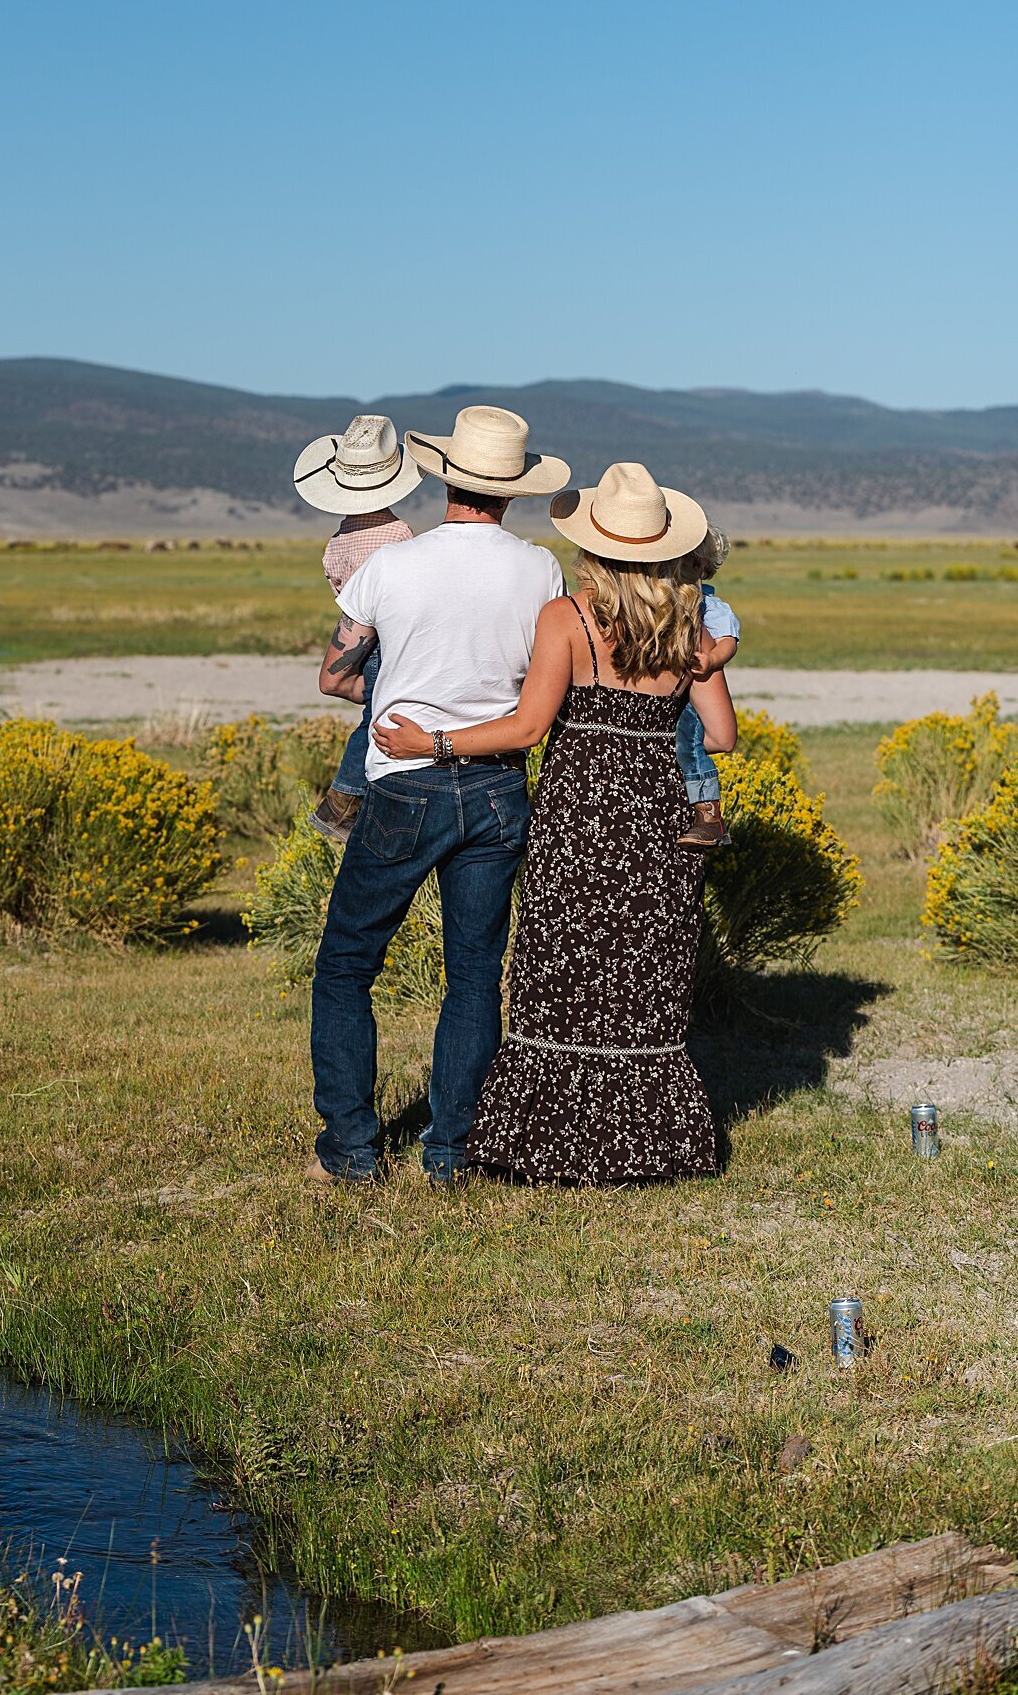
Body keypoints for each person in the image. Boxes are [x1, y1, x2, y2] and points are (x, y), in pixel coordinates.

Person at [374, 461, 735, 1187]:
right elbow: (721, 733)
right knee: (643, 981)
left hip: (578, 825)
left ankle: (554, 1143)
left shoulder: (566, 618)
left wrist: (432, 743)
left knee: (560, 974)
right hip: (655, 827)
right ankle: (648, 1146)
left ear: (593, 546)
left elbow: (529, 727)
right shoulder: (688, 631)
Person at [308, 404, 569, 1187]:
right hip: (496, 789)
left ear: (445, 477)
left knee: (348, 965)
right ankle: (450, 1152)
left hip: (402, 785)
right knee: (474, 977)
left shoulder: (391, 567)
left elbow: (334, 676)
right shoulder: (541, 570)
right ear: (514, 491)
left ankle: (352, 1150)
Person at [291, 415, 424, 843]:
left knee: (373, 716)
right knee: (383, 721)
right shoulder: (400, 533)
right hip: (391, 641)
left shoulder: (336, 542)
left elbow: (344, 600)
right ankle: (344, 801)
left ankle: (355, 802)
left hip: (362, 643)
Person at [675, 525, 740, 849]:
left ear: (701, 567)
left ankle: (708, 813)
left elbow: (729, 641)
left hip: (694, 694)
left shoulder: (711, 607)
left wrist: (712, 659)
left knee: (689, 744)